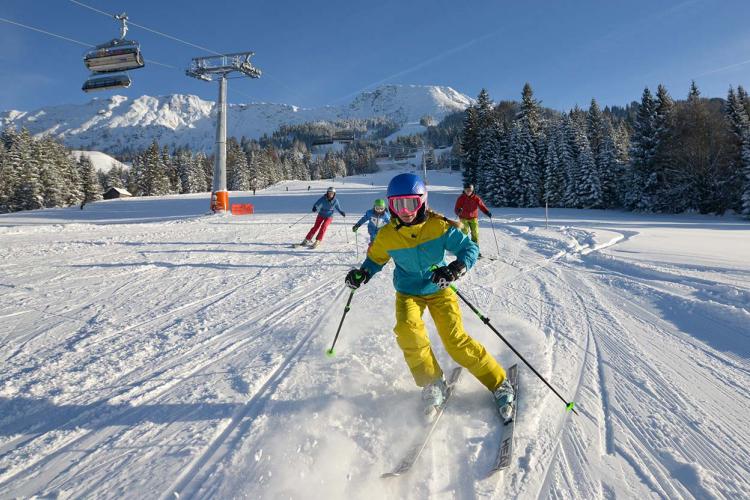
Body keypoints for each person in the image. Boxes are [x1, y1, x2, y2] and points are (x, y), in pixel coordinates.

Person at [344, 173, 513, 421]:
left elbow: (470, 249)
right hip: (408, 293)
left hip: (439, 289)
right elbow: (375, 260)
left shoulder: (438, 226)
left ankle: (499, 382)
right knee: (408, 332)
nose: (405, 211)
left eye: (411, 203)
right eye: (397, 205)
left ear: (422, 201)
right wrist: (362, 273)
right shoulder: (387, 234)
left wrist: (455, 268)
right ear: (390, 206)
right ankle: (433, 383)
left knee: (455, 341)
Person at [454, 183, 492, 256]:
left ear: (472, 190)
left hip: (473, 218)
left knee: (475, 233)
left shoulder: (476, 198)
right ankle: (463, 249)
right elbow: (456, 209)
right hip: (463, 218)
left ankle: (475, 250)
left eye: (470, 190)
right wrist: (458, 211)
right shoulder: (461, 198)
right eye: (467, 190)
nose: (468, 192)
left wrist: (487, 212)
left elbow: (482, 206)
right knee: (464, 232)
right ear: (464, 190)